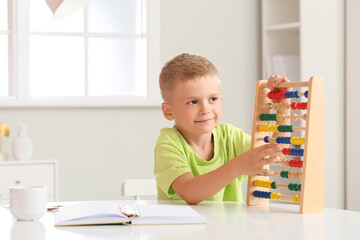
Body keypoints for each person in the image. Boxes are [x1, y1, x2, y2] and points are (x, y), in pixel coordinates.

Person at [154, 53, 289, 205]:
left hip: (227, 227)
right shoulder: (168, 144)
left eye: (213, 99)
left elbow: (275, 153)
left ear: (221, 99)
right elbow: (189, 192)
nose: (205, 109)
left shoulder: (230, 136)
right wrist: (237, 166)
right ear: (168, 111)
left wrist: (282, 109)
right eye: (193, 102)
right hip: (184, 227)